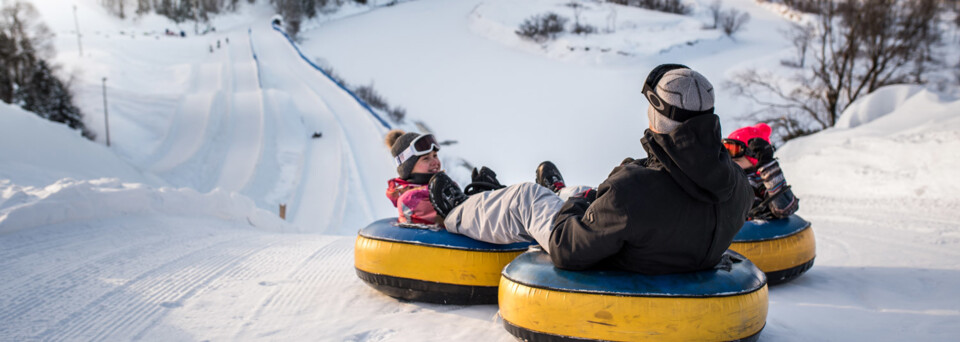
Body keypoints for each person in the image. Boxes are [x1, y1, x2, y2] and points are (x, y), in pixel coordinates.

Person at [428, 64, 753, 274]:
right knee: (588, 193)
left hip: (614, 259)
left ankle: (457, 212)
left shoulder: (631, 190)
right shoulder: (739, 186)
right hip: (661, 247)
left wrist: (585, 202)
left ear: (657, 115)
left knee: (525, 197)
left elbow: (567, 249)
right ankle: (562, 193)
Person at [384, 130, 589, 226]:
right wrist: (470, 199)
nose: (435, 162)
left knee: (526, 194)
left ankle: (559, 197)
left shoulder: (435, 188)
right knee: (522, 198)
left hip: (474, 220)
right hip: (467, 231)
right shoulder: (409, 199)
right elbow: (451, 215)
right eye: (426, 159)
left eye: (435, 156)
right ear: (409, 168)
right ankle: (554, 203)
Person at [722, 123, 799, 220]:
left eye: (734, 149)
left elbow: (785, 208)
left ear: (753, 154)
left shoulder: (761, 181)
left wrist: (768, 166)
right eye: (726, 149)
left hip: (753, 230)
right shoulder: (727, 177)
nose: (730, 157)